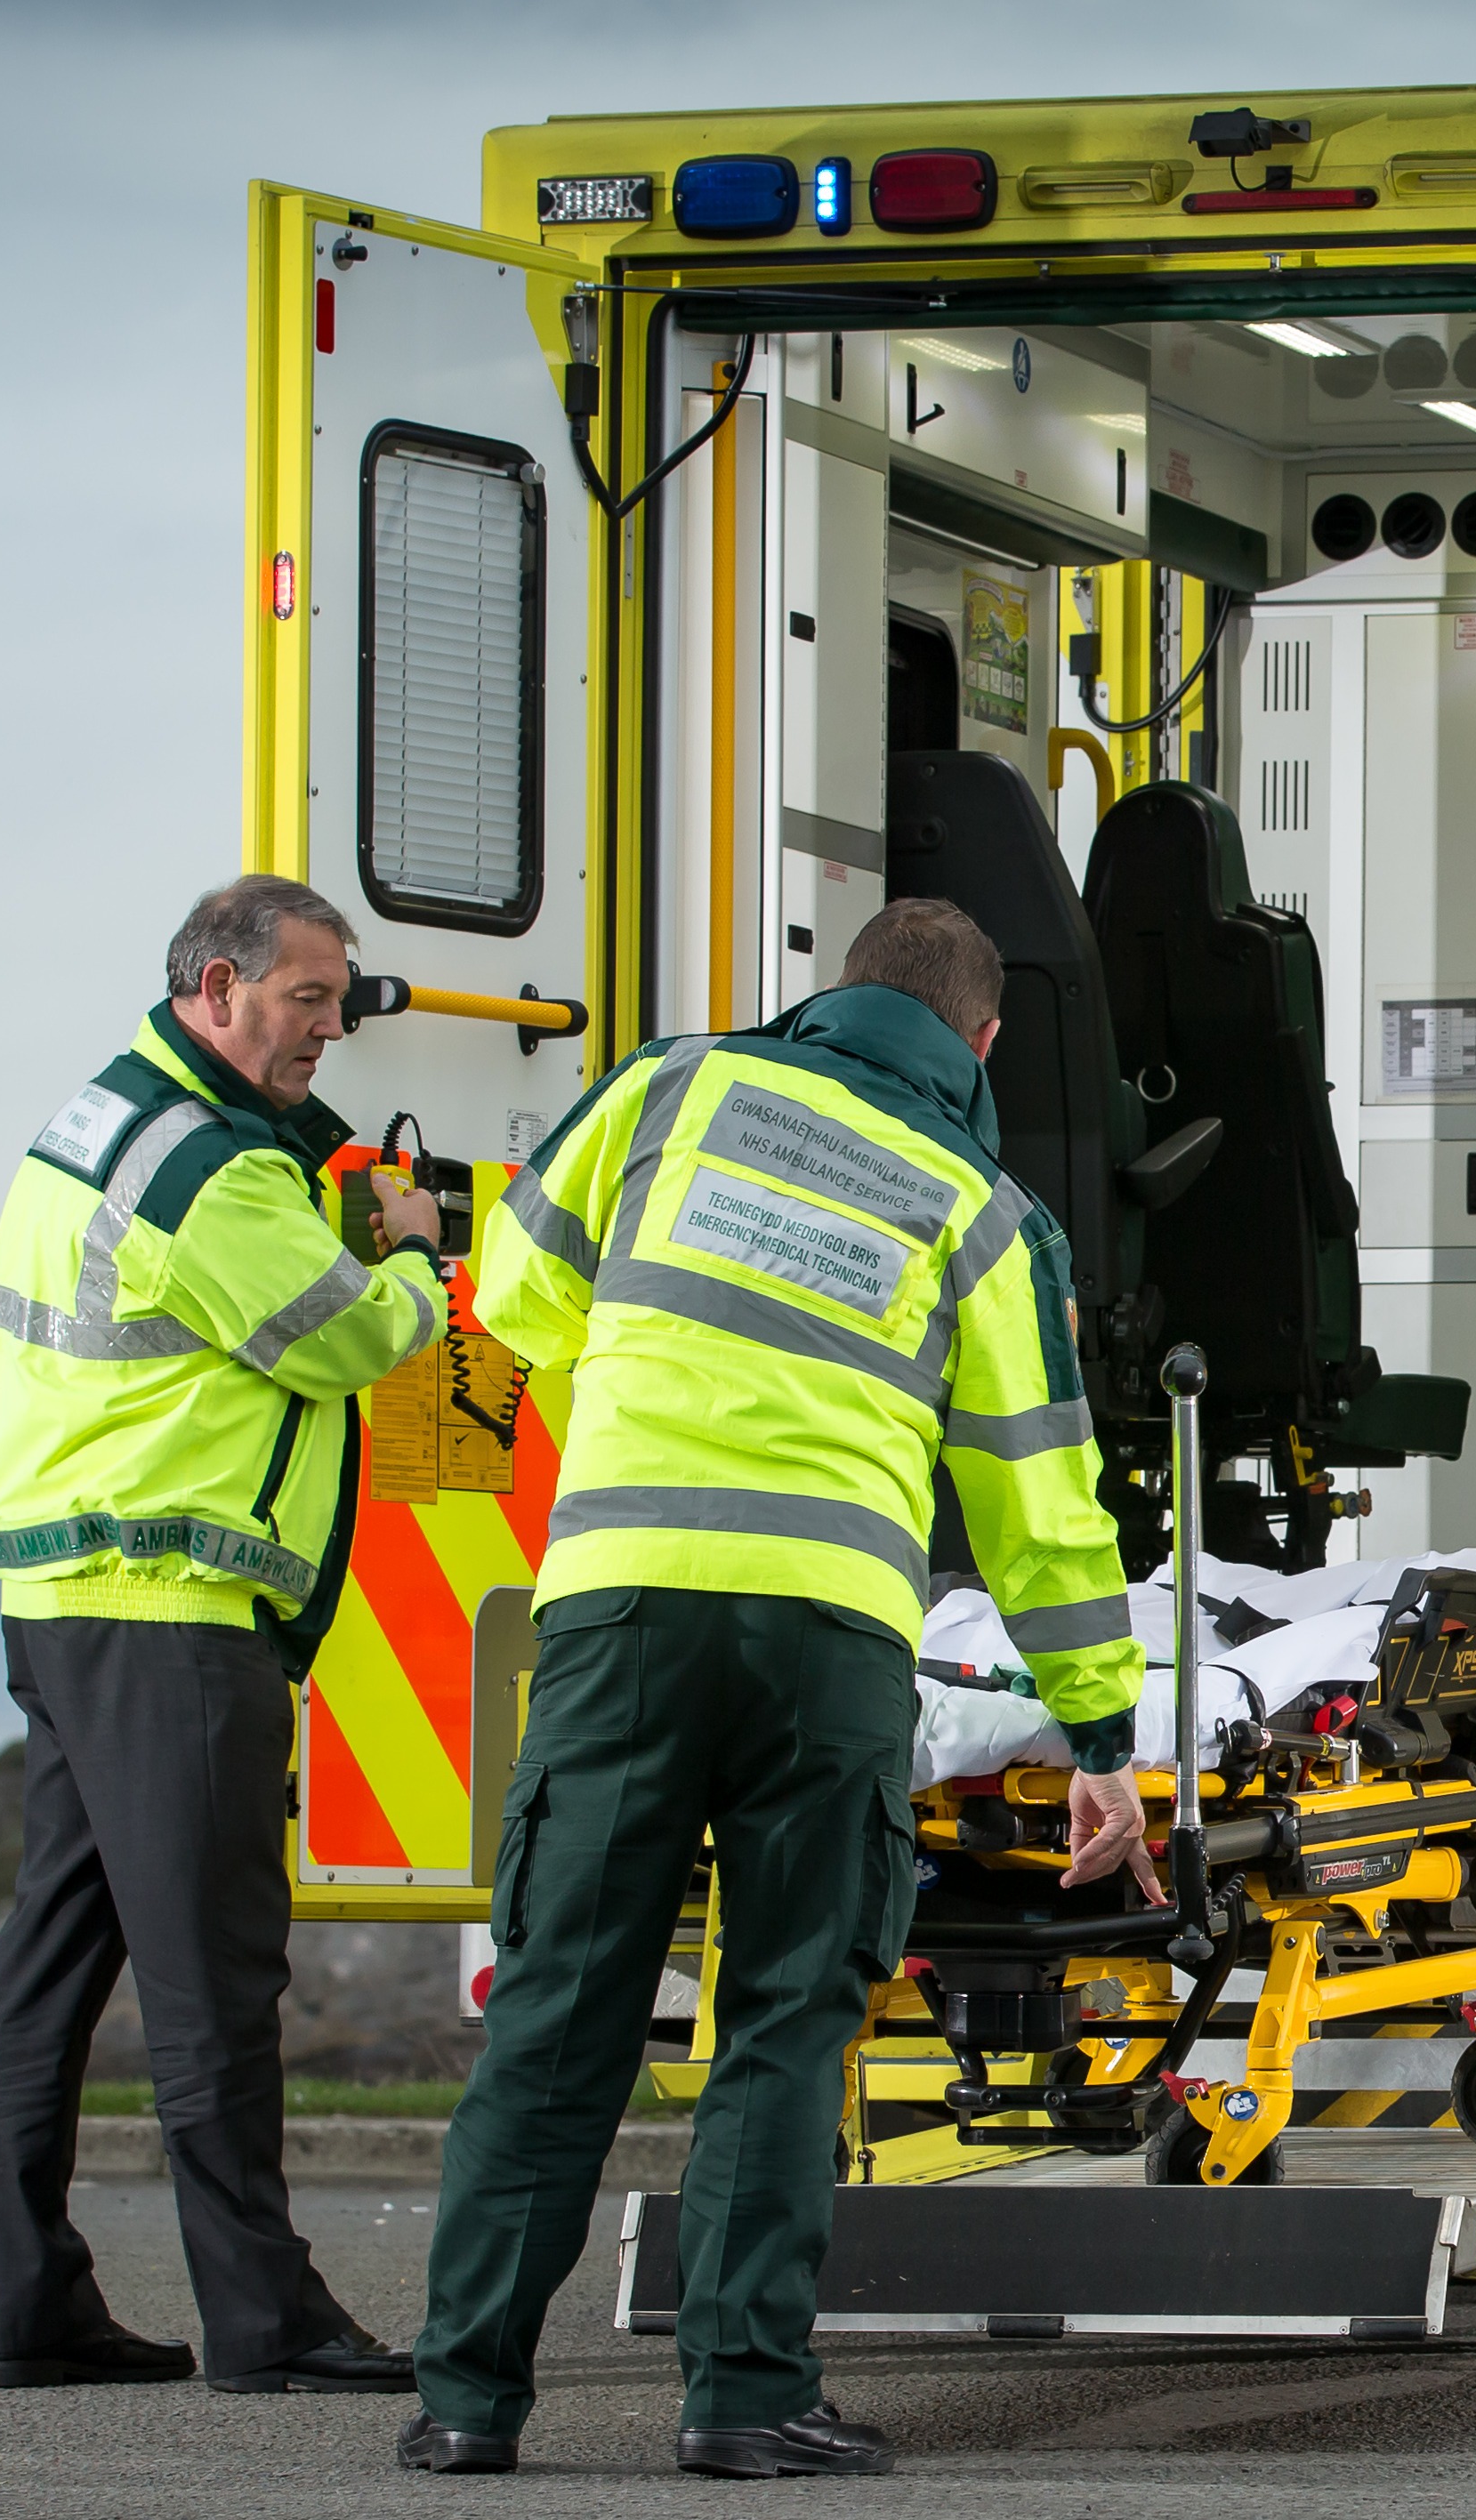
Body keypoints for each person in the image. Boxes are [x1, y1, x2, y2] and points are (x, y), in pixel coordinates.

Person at [401, 901, 1150, 2481]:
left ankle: (467, 2396)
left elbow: (515, 1294)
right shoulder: (987, 1213)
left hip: (622, 1612)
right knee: (786, 2016)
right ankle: (742, 2394)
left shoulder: (672, 1089)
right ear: (985, 1044)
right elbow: (1040, 1504)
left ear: (833, 997)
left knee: (560, 2009)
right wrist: (1101, 1738)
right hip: (826, 1644)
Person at [0, 874, 447, 2394]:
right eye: (307, 998)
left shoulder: (120, 1113)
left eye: (337, 998)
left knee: (52, 1966)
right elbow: (346, 1339)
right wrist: (418, 1252)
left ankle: (26, 2304)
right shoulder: (212, 1178)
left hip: (70, 1595)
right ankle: (268, 2322)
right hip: (168, 1612)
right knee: (216, 1984)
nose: (330, 1025)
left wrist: (322, 1152)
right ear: (215, 988)